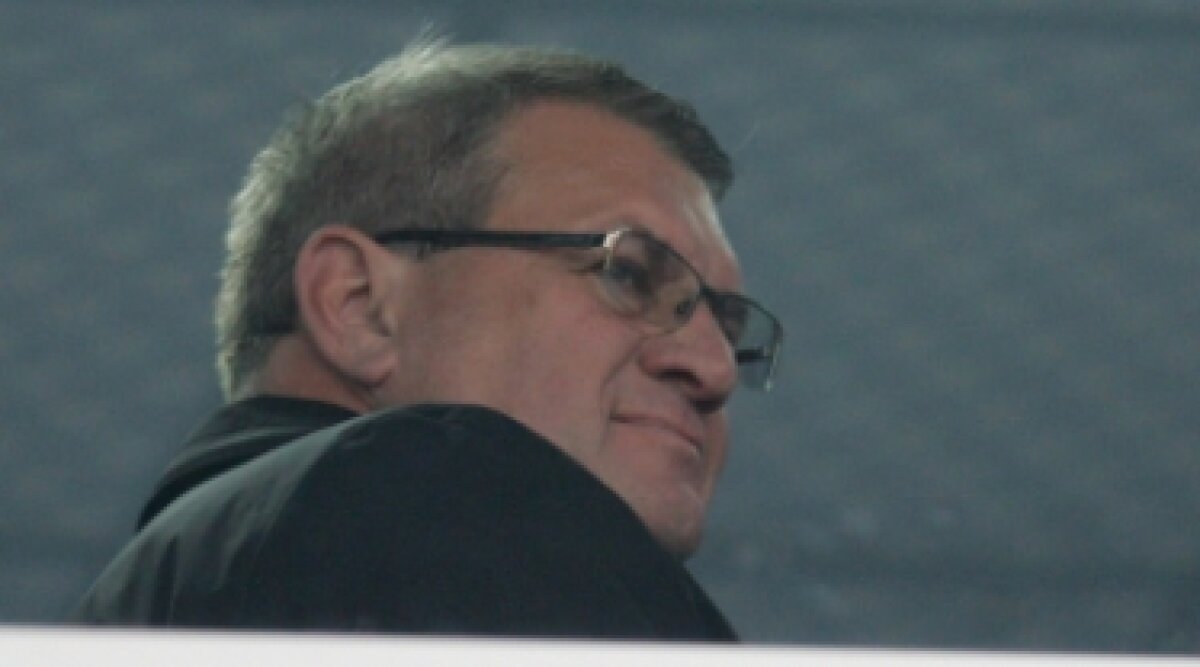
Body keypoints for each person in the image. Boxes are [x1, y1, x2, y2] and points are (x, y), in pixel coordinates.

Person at [72, 40, 782, 640]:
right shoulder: (417, 489)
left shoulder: (184, 585)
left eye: (727, 328)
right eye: (627, 273)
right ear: (358, 305)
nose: (714, 369)